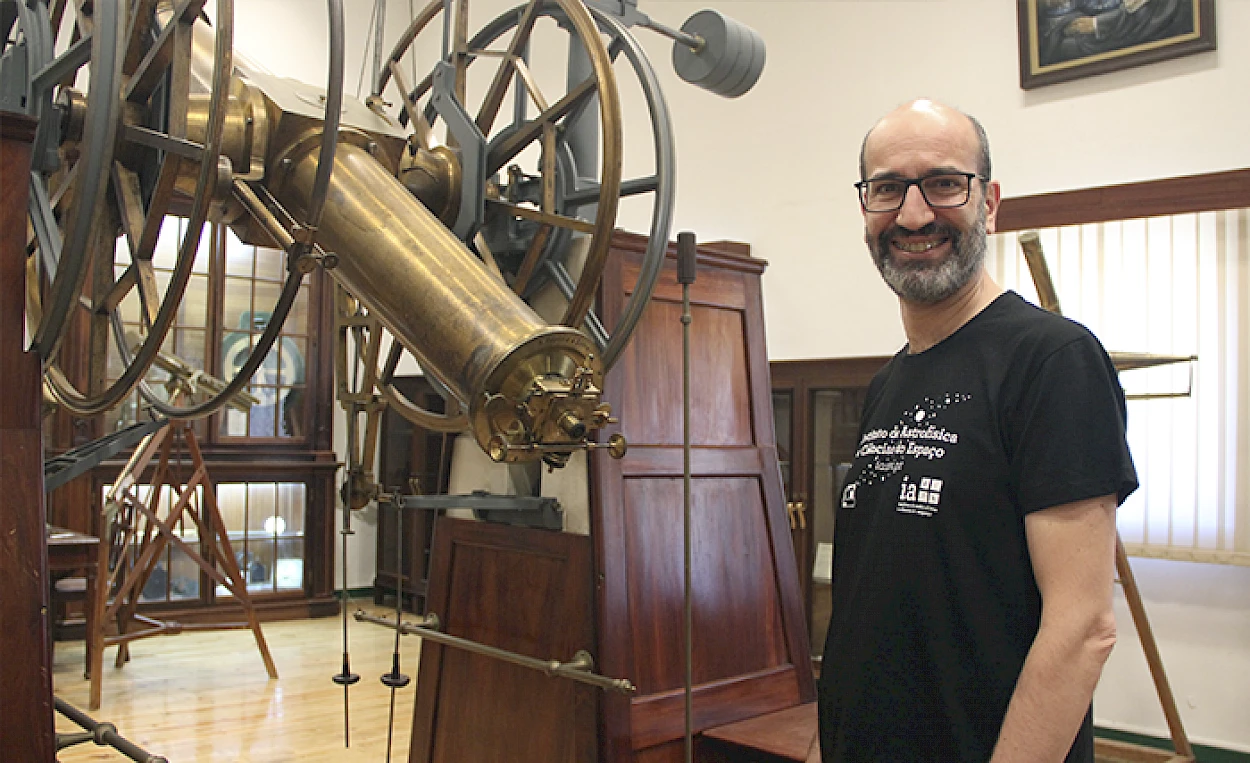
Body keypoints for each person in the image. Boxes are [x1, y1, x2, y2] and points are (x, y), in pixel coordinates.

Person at [809, 99, 1138, 763]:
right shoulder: (888, 384)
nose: (913, 215)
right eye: (888, 188)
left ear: (989, 203)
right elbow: (867, 617)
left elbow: (1083, 627)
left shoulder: (1052, 361)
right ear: (865, 208)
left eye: (943, 183)